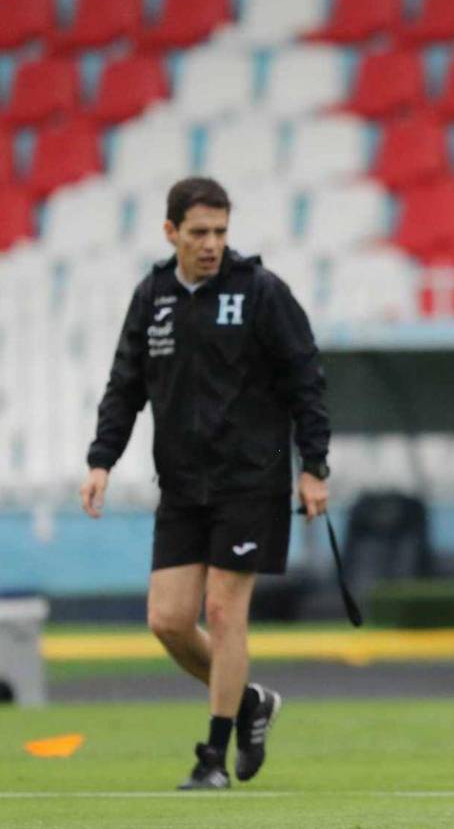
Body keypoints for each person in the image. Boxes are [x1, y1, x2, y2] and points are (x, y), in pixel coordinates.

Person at [80, 177, 331, 790]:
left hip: (250, 480)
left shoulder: (261, 292)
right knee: (167, 620)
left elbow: (307, 379)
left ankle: (212, 759)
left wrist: (313, 465)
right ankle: (249, 703)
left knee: (222, 611)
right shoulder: (153, 296)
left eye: (220, 231)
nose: (212, 243)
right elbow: (124, 385)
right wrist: (100, 460)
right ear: (171, 233)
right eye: (199, 233)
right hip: (183, 484)